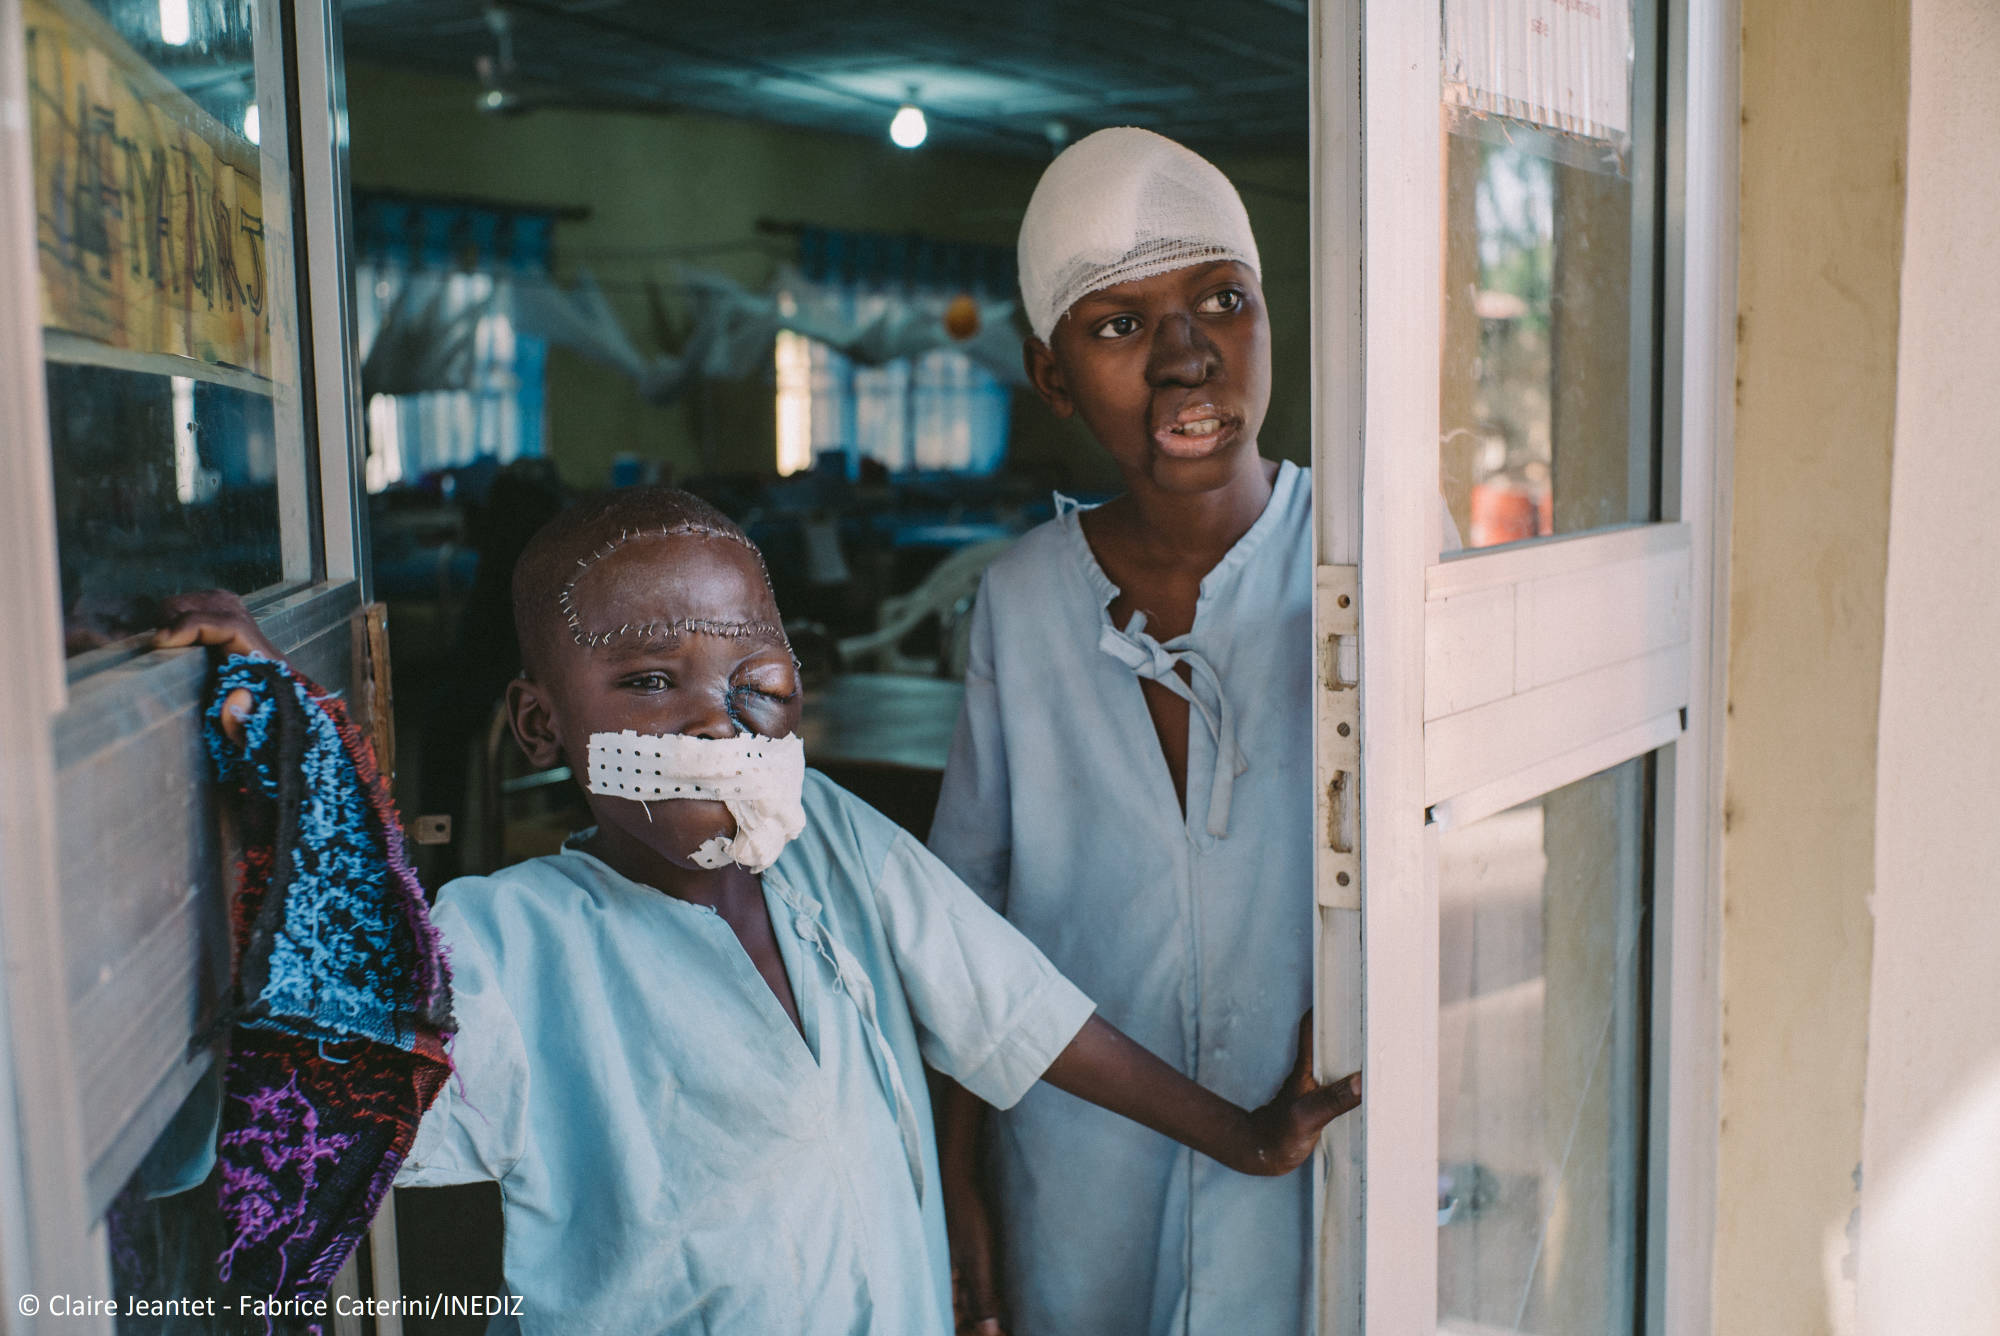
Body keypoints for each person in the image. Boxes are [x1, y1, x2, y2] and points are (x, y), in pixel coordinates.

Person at [157, 486, 1358, 1336]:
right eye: (644, 683)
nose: (710, 722)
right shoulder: (510, 944)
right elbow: (329, 1058)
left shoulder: (830, 839)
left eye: (757, 687)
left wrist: (1239, 1137)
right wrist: (288, 741)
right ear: (540, 727)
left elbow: (1020, 1012)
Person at [927, 126, 1321, 1336]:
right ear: (1051, 378)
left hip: (1322, 1167)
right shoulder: (1024, 599)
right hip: (1075, 1170)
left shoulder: (1355, 566)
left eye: (1221, 300)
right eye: (1117, 325)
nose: (1186, 358)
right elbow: (959, 935)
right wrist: (955, 1190)